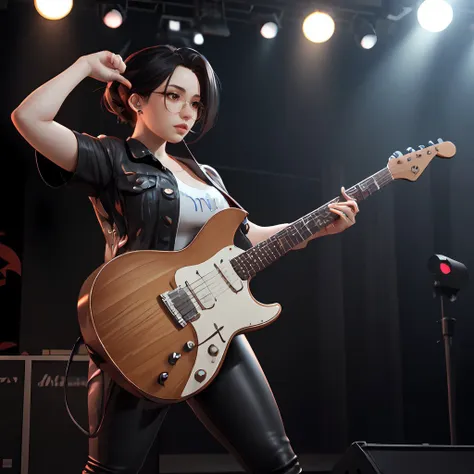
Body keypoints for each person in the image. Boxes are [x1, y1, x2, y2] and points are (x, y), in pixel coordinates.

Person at [11, 45, 359, 474]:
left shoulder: (207, 177)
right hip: (140, 330)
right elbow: (29, 119)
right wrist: (84, 67)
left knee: (280, 465)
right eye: (173, 96)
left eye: (195, 102)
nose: (187, 112)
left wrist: (318, 226)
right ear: (136, 100)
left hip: (215, 329)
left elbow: (252, 240)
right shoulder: (110, 158)